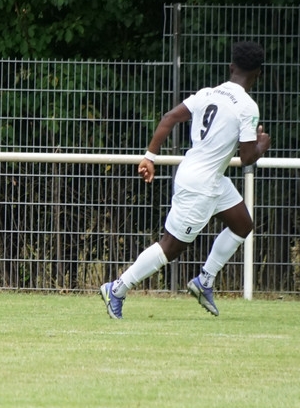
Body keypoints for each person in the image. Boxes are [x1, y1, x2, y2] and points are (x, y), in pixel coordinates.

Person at [100, 41, 271, 319]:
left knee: (242, 225)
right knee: (171, 247)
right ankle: (117, 288)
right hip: (201, 185)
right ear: (258, 73)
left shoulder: (207, 93)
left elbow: (169, 118)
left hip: (207, 177)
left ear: (231, 67)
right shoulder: (248, 107)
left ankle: (205, 280)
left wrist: (149, 157)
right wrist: (263, 144)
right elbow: (247, 157)